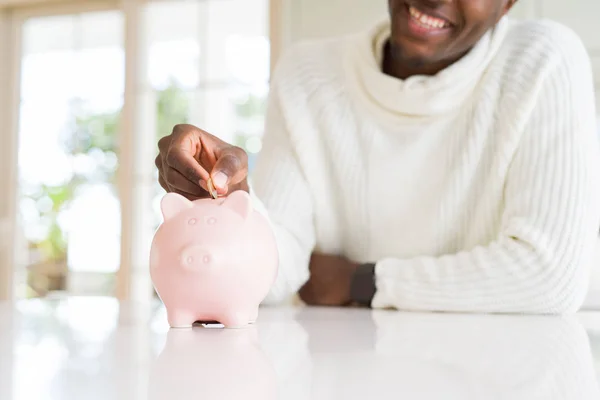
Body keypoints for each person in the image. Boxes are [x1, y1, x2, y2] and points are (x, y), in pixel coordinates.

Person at [155, 0, 600, 314]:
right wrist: (233, 202)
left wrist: (360, 281)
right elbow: (278, 273)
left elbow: (549, 277)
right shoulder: (307, 74)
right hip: (351, 367)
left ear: (507, 5)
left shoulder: (544, 58)